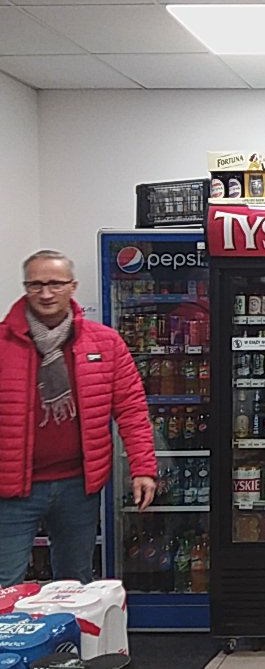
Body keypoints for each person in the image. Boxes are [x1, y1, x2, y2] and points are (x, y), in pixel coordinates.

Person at [0, 250, 157, 587]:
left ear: (72, 286)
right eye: (36, 285)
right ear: (25, 288)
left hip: (78, 486)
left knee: (75, 585)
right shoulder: (3, 343)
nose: (45, 293)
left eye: (55, 284)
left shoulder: (105, 342)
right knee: (5, 584)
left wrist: (143, 469)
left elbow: (131, 409)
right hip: (11, 490)